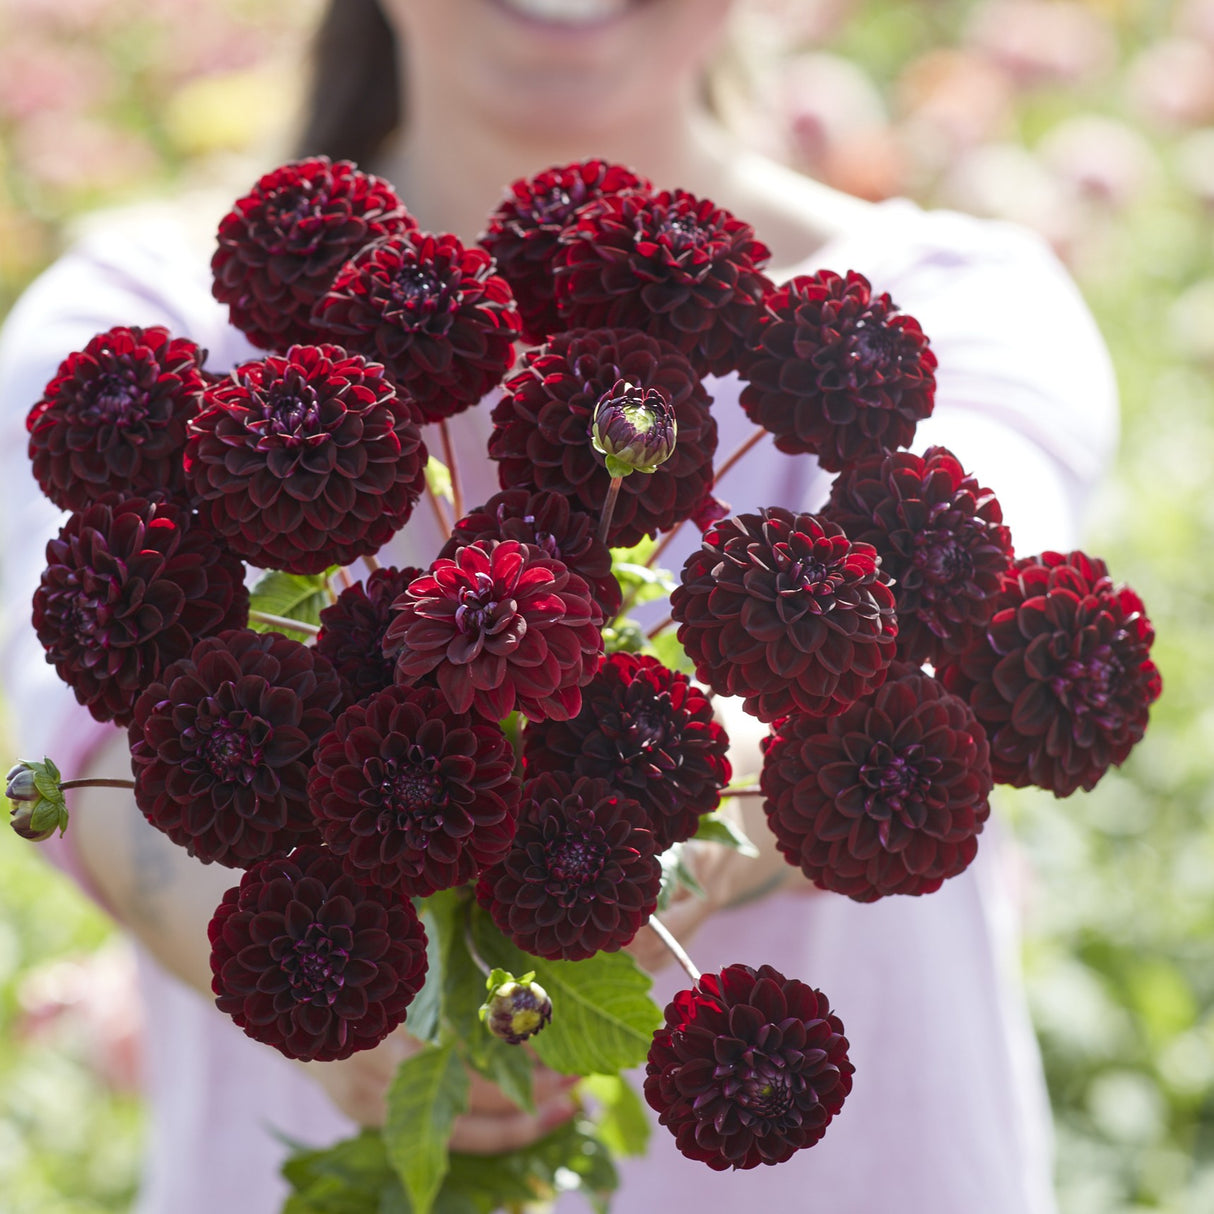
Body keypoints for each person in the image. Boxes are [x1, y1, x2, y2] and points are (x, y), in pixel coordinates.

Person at [0, 0, 1119, 1210]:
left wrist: (661, 825)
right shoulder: (133, 325)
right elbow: (84, 734)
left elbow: (959, 628)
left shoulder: (962, 308)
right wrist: (351, 991)